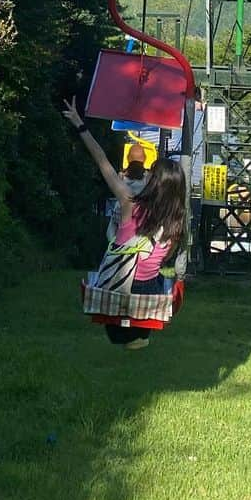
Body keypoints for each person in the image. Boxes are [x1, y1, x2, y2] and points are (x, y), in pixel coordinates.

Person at [63, 97, 186, 350]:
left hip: (115, 282)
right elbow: (163, 260)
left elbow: (103, 163)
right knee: (156, 277)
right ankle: (139, 335)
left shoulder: (130, 204)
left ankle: (124, 334)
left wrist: (79, 124)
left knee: (121, 278)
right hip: (145, 288)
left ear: (155, 181)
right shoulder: (176, 224)